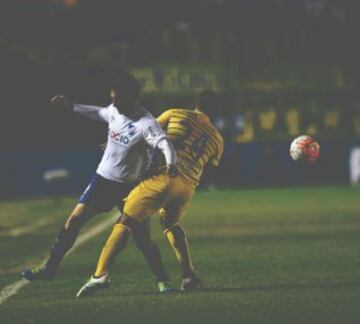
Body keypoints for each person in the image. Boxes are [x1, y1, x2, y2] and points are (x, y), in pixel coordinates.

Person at [21, 73, 177, 293]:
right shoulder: (114, 111)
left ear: (132, 97)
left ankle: (163, 281)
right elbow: (97, 112)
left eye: (117, 98)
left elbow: (163, 142)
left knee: (142, 239)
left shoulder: (145, 123)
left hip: (129, 188)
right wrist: (71, 106)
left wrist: (171, 162)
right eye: (112, 98)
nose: (113, 102)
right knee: (73, 220)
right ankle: (50, 268)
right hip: (102, 181)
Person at [76, 91, 224, 297]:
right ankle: (188, 274)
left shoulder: (176, 113)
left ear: (195, 104)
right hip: (187, 187)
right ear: (216, 111)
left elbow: (147, 132)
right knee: (170, 224)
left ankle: (100, 274)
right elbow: (211, 167)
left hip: (164, 178)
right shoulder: (218, 138)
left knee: (125, 220)